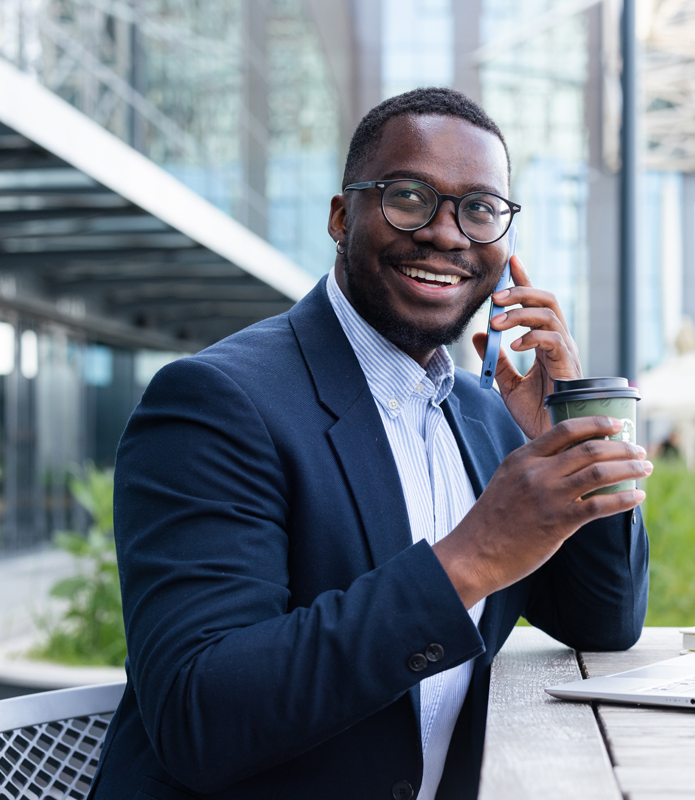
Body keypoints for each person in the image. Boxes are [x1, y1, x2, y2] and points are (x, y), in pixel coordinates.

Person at [91, 87, 650, 800]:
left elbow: (604, 620)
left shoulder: (487, 417)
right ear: (340, 216)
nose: (447, 234)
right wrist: (471, 557)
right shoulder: (213, 401)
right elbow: (201, 713)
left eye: (481, 209)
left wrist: (570, 430)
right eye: (409, 198)